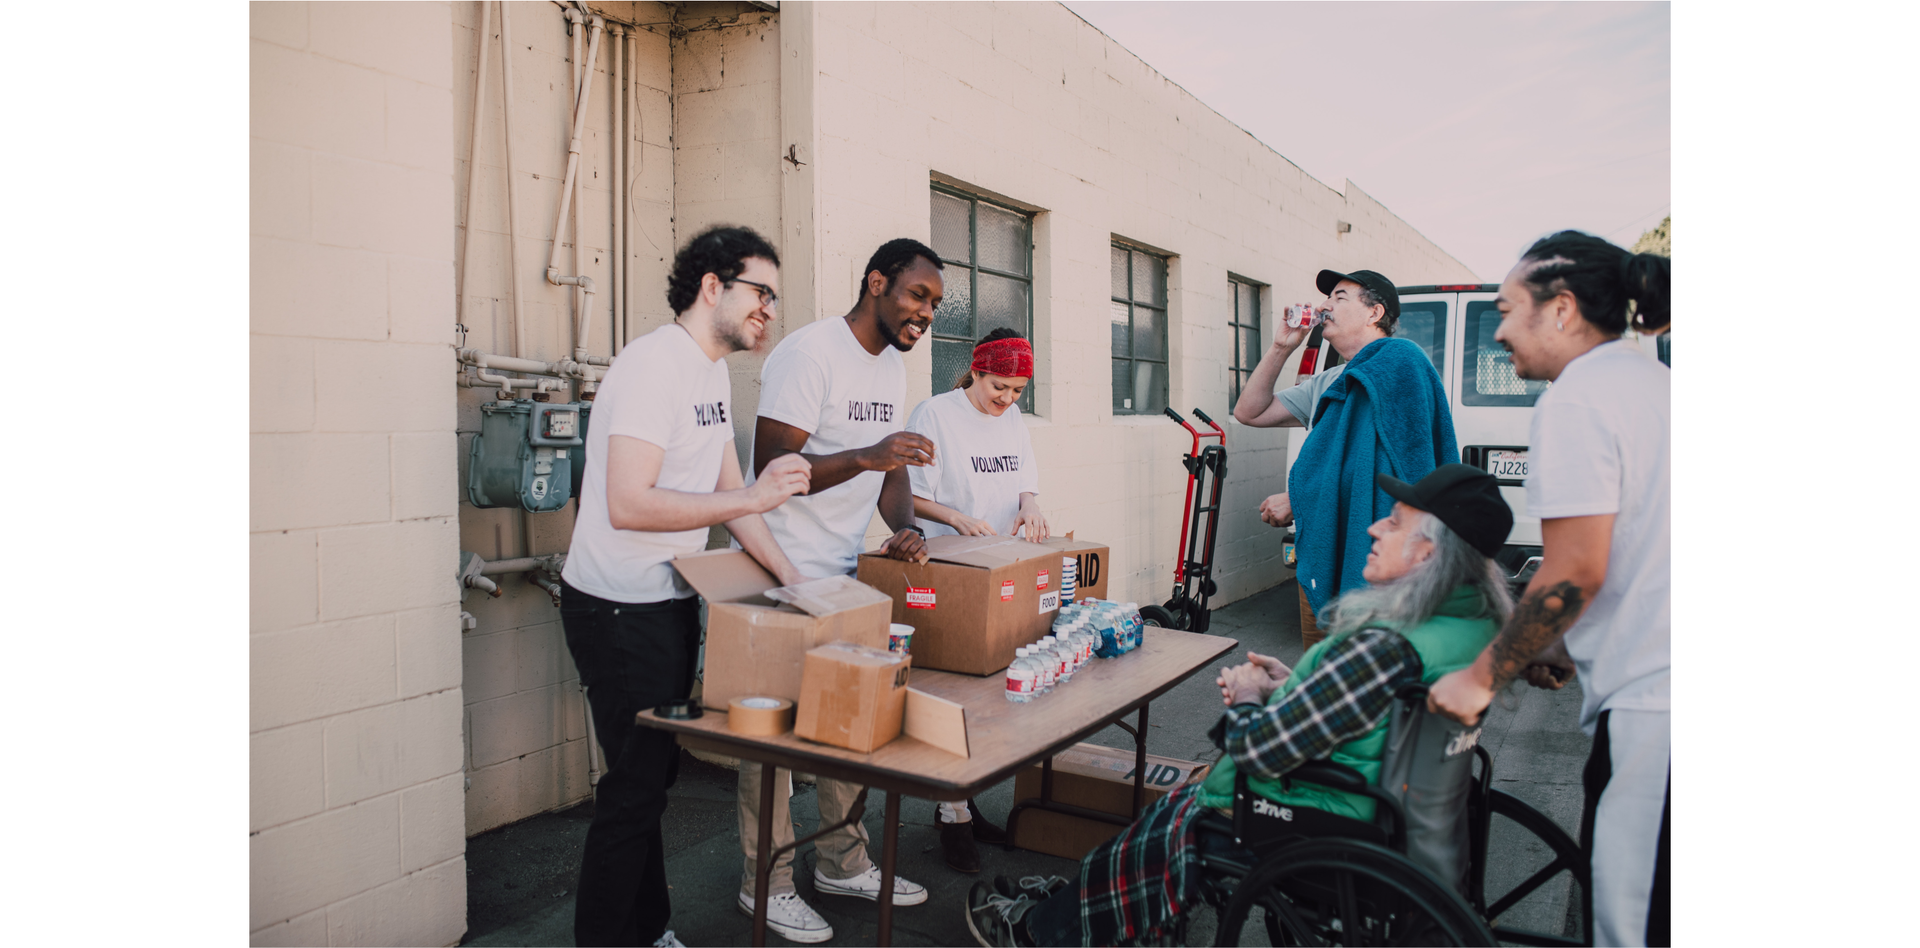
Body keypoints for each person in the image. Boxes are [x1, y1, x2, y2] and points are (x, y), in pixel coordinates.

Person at [966, 464, 1516, 947]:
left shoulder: (1386, 643)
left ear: (1429, 552)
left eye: (1394, 521)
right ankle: (1079, 908)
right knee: (1175, 809)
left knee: (1178, 814)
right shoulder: (1475, 627)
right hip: (1405, 804)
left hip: (1322, 812)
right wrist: (1294, 685)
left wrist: (1252, 697)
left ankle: (1046, 930)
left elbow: (1263, 751)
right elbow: (1374, 711)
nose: (1375, 527)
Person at [557, 226, 814, 948]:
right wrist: (754, 501)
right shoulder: (652, 368)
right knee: (633, 791)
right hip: (615, 608)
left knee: (650, 781)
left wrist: (799, 583)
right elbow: (630, 503)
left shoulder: (709, 374)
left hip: (667, 600)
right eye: (759, 291)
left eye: (773, 297)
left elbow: (731, 494)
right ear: (712, 287)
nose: (769, 308)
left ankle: (651, 928)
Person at [1427, 230, 1670, 947]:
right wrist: (1561, 642)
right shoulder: (1657, 386)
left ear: (1561, 308)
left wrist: (1480, 678)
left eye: (1506, 309)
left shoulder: (1578, 401)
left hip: (1660, 712)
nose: (1497, 330)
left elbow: (1574, 572)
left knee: (1631, 929)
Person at [730, 237, 944, 943]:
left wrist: (907, 526)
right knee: (776, 744)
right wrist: (867, 455)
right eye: (917, 296)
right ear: (877, 283)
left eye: (935, 305)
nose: (925, 314)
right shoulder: (810, 352)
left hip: (847, 576)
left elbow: (892, 470)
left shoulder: (890, 369)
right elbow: (771, 467)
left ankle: (842, 863)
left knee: (851, 726)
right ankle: (767, 887)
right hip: (778, 574)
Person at [1232, 269, 1459, 647]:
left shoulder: (1403, 363)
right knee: (1320, 675)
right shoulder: (1331, 381)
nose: (1325, 306)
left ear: (1374, 313)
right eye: (1327, 299)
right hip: (1323, 553)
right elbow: (1249, 412)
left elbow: (1395, 470)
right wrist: (1281, 348)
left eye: (1339, 297)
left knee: (1365, 683)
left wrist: (1300, 499)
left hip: (1381, 563)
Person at [903, 327, 1045, 872]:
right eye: (998, 388)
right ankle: (953, 813)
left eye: (1017, 391)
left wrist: (1031, 504)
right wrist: (953, 516)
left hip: (1001, 566)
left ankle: (961, 804)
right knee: (954, 694)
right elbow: (907, 491)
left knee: (992, 696)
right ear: (976, 372)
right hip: (949, 570)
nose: (1007, 401)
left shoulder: (1011, 418)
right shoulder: (934, 415)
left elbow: (1024, 482)